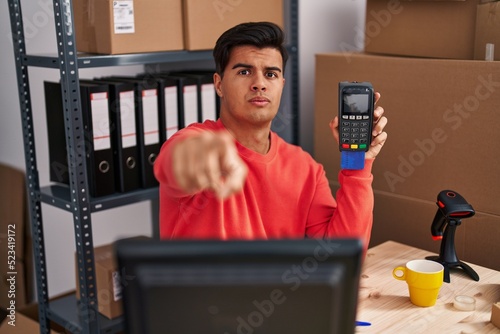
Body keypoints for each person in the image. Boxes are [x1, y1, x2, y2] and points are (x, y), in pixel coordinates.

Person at [153, 22, 388, 251]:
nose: (259, 84)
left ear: (282, 85)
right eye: (244, 72)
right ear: (219, 85)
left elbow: (340, 251)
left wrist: (357, 162)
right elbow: (177, 164)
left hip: (277, 291)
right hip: (202, 292)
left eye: (271, 74)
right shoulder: (191, 141)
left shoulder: (305, 168)